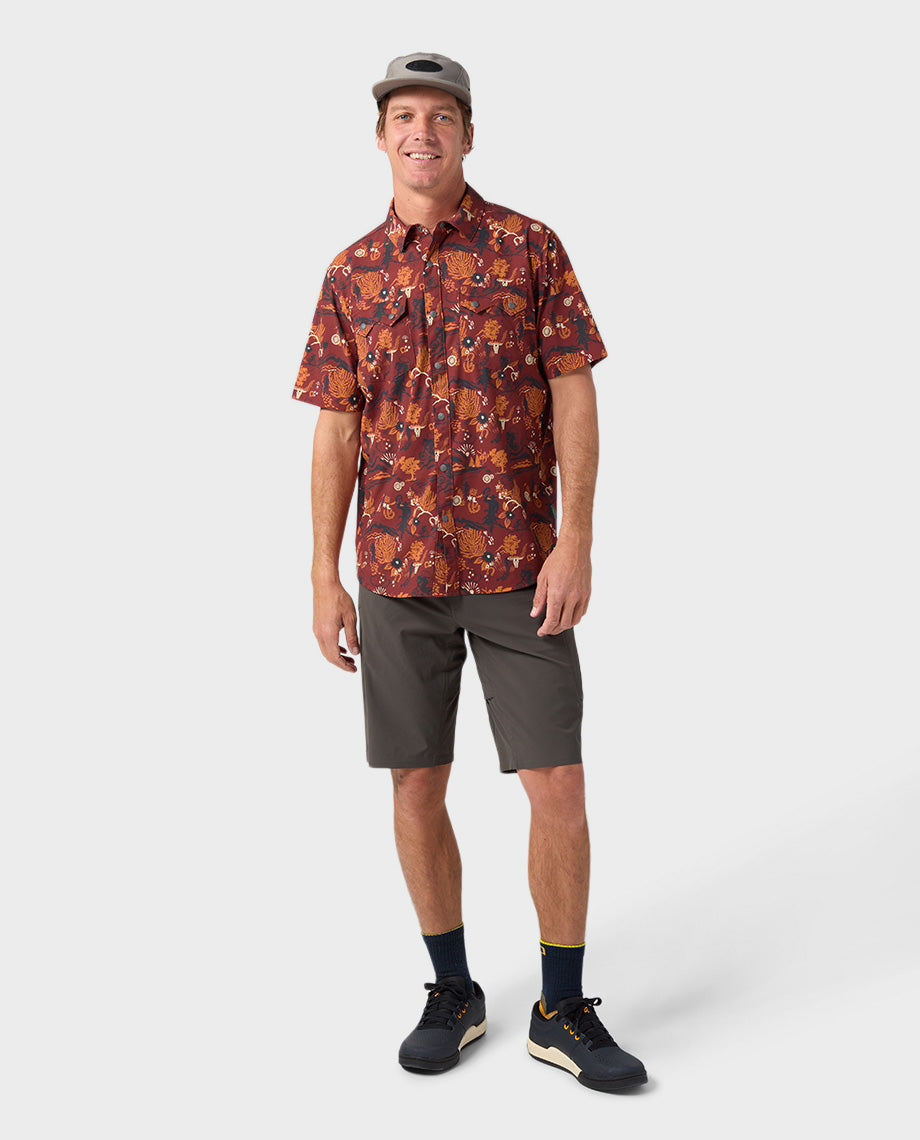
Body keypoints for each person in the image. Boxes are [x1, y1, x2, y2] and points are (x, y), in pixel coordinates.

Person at [292, 51, 648, 1093]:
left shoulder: (528, 247)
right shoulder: (351, 273)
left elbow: (573, 390)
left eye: (441, 116)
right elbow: (335, 427)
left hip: (516, 566)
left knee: (558, 783)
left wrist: (576, 538)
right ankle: (452, 990)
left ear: (468, 134)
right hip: (395, 569)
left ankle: (560, 1007)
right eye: (404, 116)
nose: (422, 132)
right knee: (415, 784)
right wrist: (322, 574)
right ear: (380, 137)